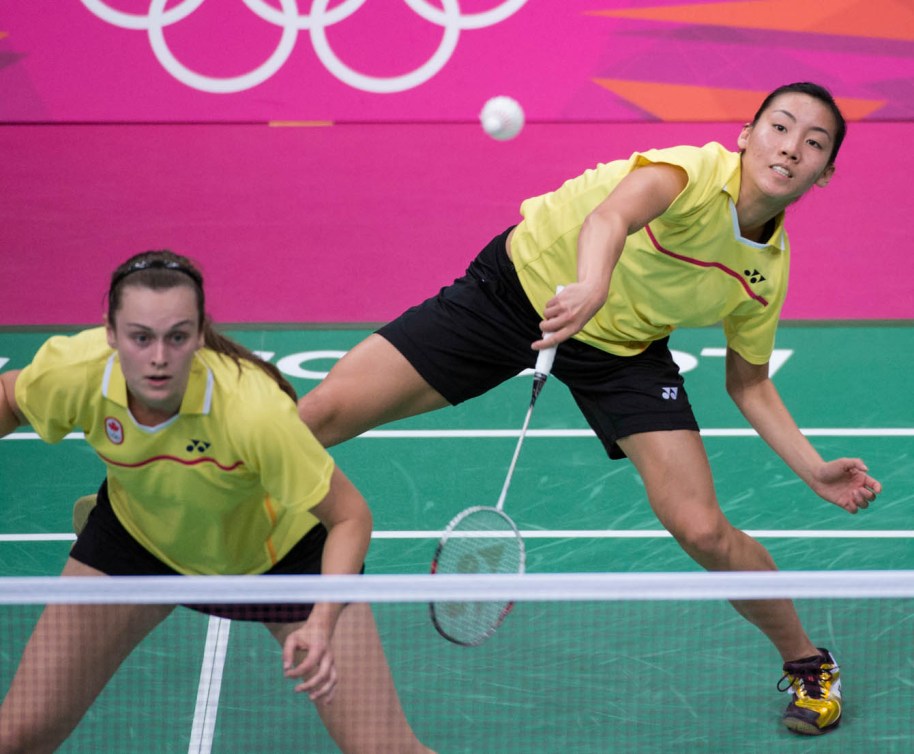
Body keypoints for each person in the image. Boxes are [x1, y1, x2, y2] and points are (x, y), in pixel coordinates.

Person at [297, 82, 881, 736]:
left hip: (623, 350)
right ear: (746, 136)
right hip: (519, 292)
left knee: (702, 529)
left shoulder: (765, 271)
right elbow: (610, 217)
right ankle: (208, 489)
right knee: (320, 416)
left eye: (813, 142)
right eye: (780, 126)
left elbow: (749, 383)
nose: (791, 147)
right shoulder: (689, 172)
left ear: (824, 173)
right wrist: (592, 283)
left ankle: (809, 663)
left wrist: (811, 467)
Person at [0, 251, 435, 754]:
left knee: (386, 751)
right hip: (139, 546)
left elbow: (351, 517)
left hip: (283, 562)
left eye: (177, 336)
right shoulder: (79, 370)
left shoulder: (251, 411)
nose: (158, 357)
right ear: (110, 333)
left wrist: (321, 621)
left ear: (201, 332)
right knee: (15, 736)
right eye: (140, 337)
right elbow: (11, 398)